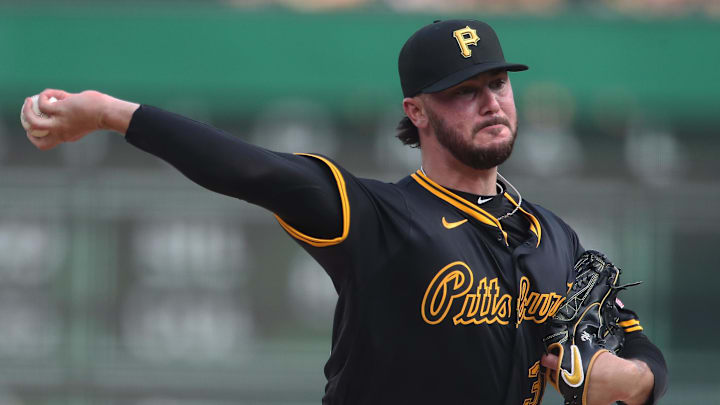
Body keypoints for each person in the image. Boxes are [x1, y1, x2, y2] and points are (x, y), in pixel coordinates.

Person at [22, 19, 666, 405]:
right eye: (463, 92)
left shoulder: (553, 237)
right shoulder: (378, 219)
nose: (490, 102)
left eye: (497, 83)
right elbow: (246, 167)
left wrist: (631, 381)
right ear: (417, 112)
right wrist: (109, 113)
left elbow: (635, 347)